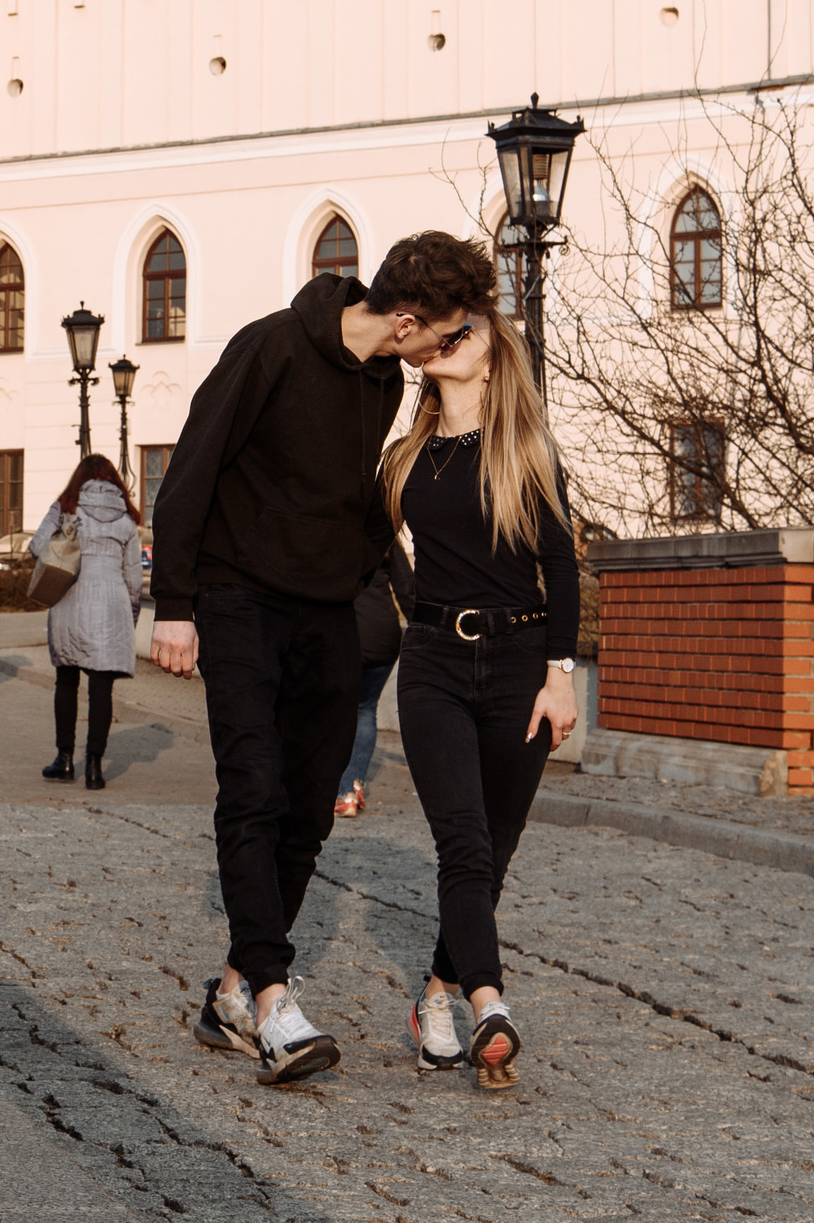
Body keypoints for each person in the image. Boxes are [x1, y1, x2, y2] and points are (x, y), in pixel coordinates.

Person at [148, 230, 495, 1087]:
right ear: (409, 320)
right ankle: (272, 1001)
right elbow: (191, 467)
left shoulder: (384, 380)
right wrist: (176, 606)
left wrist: (419, 602)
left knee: (307, 810)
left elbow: (360, 506)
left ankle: (229, 989)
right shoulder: (269, 346)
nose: (446, 350)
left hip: (326, 612)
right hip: (236, 602)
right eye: (447, 334)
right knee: (254, 791)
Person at [382, 306, 578, 1090]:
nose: (452, 334)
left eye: (469, 327)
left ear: (496, 356)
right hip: (431, 660)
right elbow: (375, 545)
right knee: (462, 840)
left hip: (519, 662)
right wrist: (409, 607)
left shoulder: (526, 447)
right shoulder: (406, 457)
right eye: (444, 328)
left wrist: (558, 675)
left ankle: (435, 994)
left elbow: (560, 563)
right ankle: (489, 1006)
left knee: (489, 851)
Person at [29, 456, 146, 790]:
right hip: (112, 604)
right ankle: (95, 767)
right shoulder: (125, 519)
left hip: (69, 597)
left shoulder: (66, 508)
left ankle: (64, 761)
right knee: (101, 686)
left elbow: (37, 546)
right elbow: (135, 580)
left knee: (66, 680)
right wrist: (131, 617)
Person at [334, 539, 416, 817]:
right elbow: (407, 590)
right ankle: (355, 784)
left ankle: (344, 793)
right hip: (384, 635)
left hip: (347, 633)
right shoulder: (386, 537)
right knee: (366, 709)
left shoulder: (336, 531)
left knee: (340, 714)